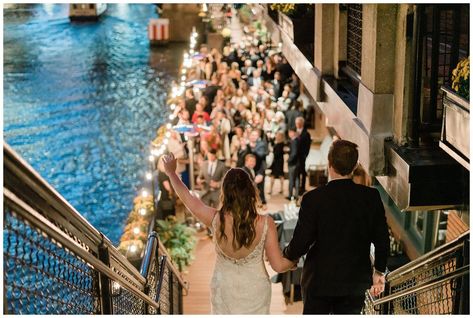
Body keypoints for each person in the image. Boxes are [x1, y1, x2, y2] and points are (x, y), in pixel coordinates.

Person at [161, 153, 296, 314]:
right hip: (256, 291)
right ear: (251, 191)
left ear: (224, 191)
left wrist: (171, 173)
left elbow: (188, 199)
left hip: (223, 289)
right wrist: (293, 262)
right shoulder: (266, 223)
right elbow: (278, 266)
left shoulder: (214, 218)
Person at [282, 139, 390, 314]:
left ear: (329, 163)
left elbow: (301, 242)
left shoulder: (313, 199)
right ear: (354, 166)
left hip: (319, 281)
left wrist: (288, 256)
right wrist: (378, 271)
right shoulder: (371, 197)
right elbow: (382, 240)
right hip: (354, 282)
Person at [295, 117, 312, 195]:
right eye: (296, 123)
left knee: (302, 172)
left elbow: (308, 145)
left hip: (302, 156)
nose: (297, 125)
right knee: (296, 172)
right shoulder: (294, 131)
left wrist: (305, 155)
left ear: (302, 124)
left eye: (298, 123)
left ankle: (302, 187)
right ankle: (296, 187)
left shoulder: (306, 134)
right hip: (295, 156)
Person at [269, 131, 285, 195]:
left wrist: (272, 151)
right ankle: (281, 189)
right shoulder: (280, 143)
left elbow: (277, 154)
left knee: (274, 175)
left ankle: (272, 189)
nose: (276, 136)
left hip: (277, 161)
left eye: (277, 135)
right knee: (280, 175)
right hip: (279, 161)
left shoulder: (280, 144)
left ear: (280, 136)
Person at [286, 128, 299, 200]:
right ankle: (296, 195)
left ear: (293, 132)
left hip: (293, 163)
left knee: (291, 179)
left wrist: (288, 160)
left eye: (289, 132)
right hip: (297, 162)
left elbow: (294, 153)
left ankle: (290, 195)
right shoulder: (297, 140)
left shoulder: (294, 141)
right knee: (296, 179)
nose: (289, 134)